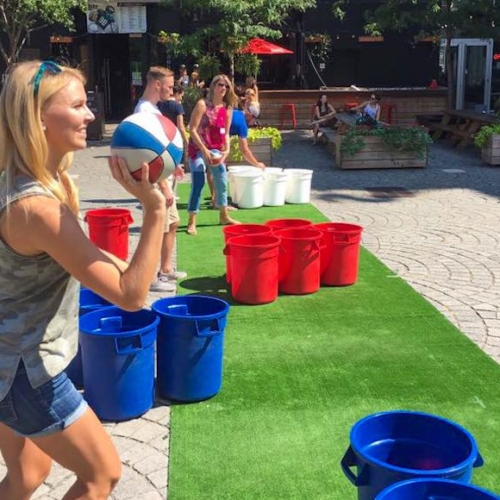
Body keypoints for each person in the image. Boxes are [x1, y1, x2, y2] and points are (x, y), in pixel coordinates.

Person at [0, 60, 166, 499]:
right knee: (101, 475)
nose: (92, 115)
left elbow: (94, 261)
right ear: (38, 118)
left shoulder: (24, 182)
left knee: (27, 476)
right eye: (77, 105)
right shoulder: (37, 208)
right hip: (27, 376)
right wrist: (155, 211)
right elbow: (131, 296)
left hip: (7, 366)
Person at [135, 66, 187, 292]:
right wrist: (164, 185)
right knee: (156, 227)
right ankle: (151, 277)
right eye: (168, 86)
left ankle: (165, 269)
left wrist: (172, 166)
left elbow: (160, 147)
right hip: (154, 180)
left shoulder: (152, 108)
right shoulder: (144, 111)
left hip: (162, 175)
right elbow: (147, 153)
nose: (171, 90)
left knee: (172, 222)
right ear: (157, 85)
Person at [186, 74, 240, 235]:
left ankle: (224, 215)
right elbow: (192, 129)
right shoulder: (202, 105)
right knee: (198, 180)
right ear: (213, 87)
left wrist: (227, 150)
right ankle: (192, 220)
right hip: (197, 149)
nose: (223, 88)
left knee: (222, 179)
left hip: (215, 150)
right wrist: (204, 150)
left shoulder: (227, 109)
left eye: (226, 86)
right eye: (220, 85)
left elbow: (226, 133)